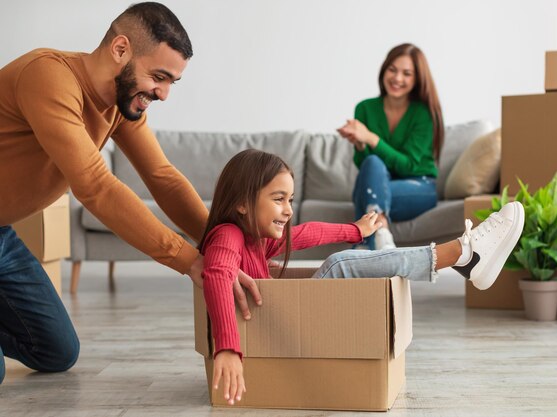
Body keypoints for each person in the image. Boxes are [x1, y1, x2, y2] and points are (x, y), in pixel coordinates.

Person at [0, 2, 260, 385]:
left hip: (2, 234)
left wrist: (224, 244)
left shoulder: (121, 105)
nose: (165, 93)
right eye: (159, 76)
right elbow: (95, 186)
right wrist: (190, 260)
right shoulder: (49, 77)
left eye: (172, 81)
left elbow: (163, 178)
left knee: (57, 352)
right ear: (120, 50)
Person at [200, 149, 524, 405]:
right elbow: (216, 275)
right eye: (278, 199)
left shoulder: (256, 239)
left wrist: (355, 229)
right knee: (341, 264)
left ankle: (461, 257)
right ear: (242, 203)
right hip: (276, 329)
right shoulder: (228, 235)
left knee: (344, 261)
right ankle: (460, 255)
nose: (288, 210)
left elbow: (304, 233)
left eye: (291, 199)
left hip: (288, 326)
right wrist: (227, 348)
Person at [337, 43, 444, 251]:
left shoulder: (424, 113)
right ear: (384, 70)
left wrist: (371, 138)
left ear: (417, 79)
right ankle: (381, 229)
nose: (397, 78)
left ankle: (363, 246)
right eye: (392, 70)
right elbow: (365, 165)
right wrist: (360, 144)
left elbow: (409, 166)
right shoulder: (365, 108)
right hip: (377, 185)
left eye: (407, 73)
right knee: (372, 162)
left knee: (365, 193)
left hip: (418, 186)